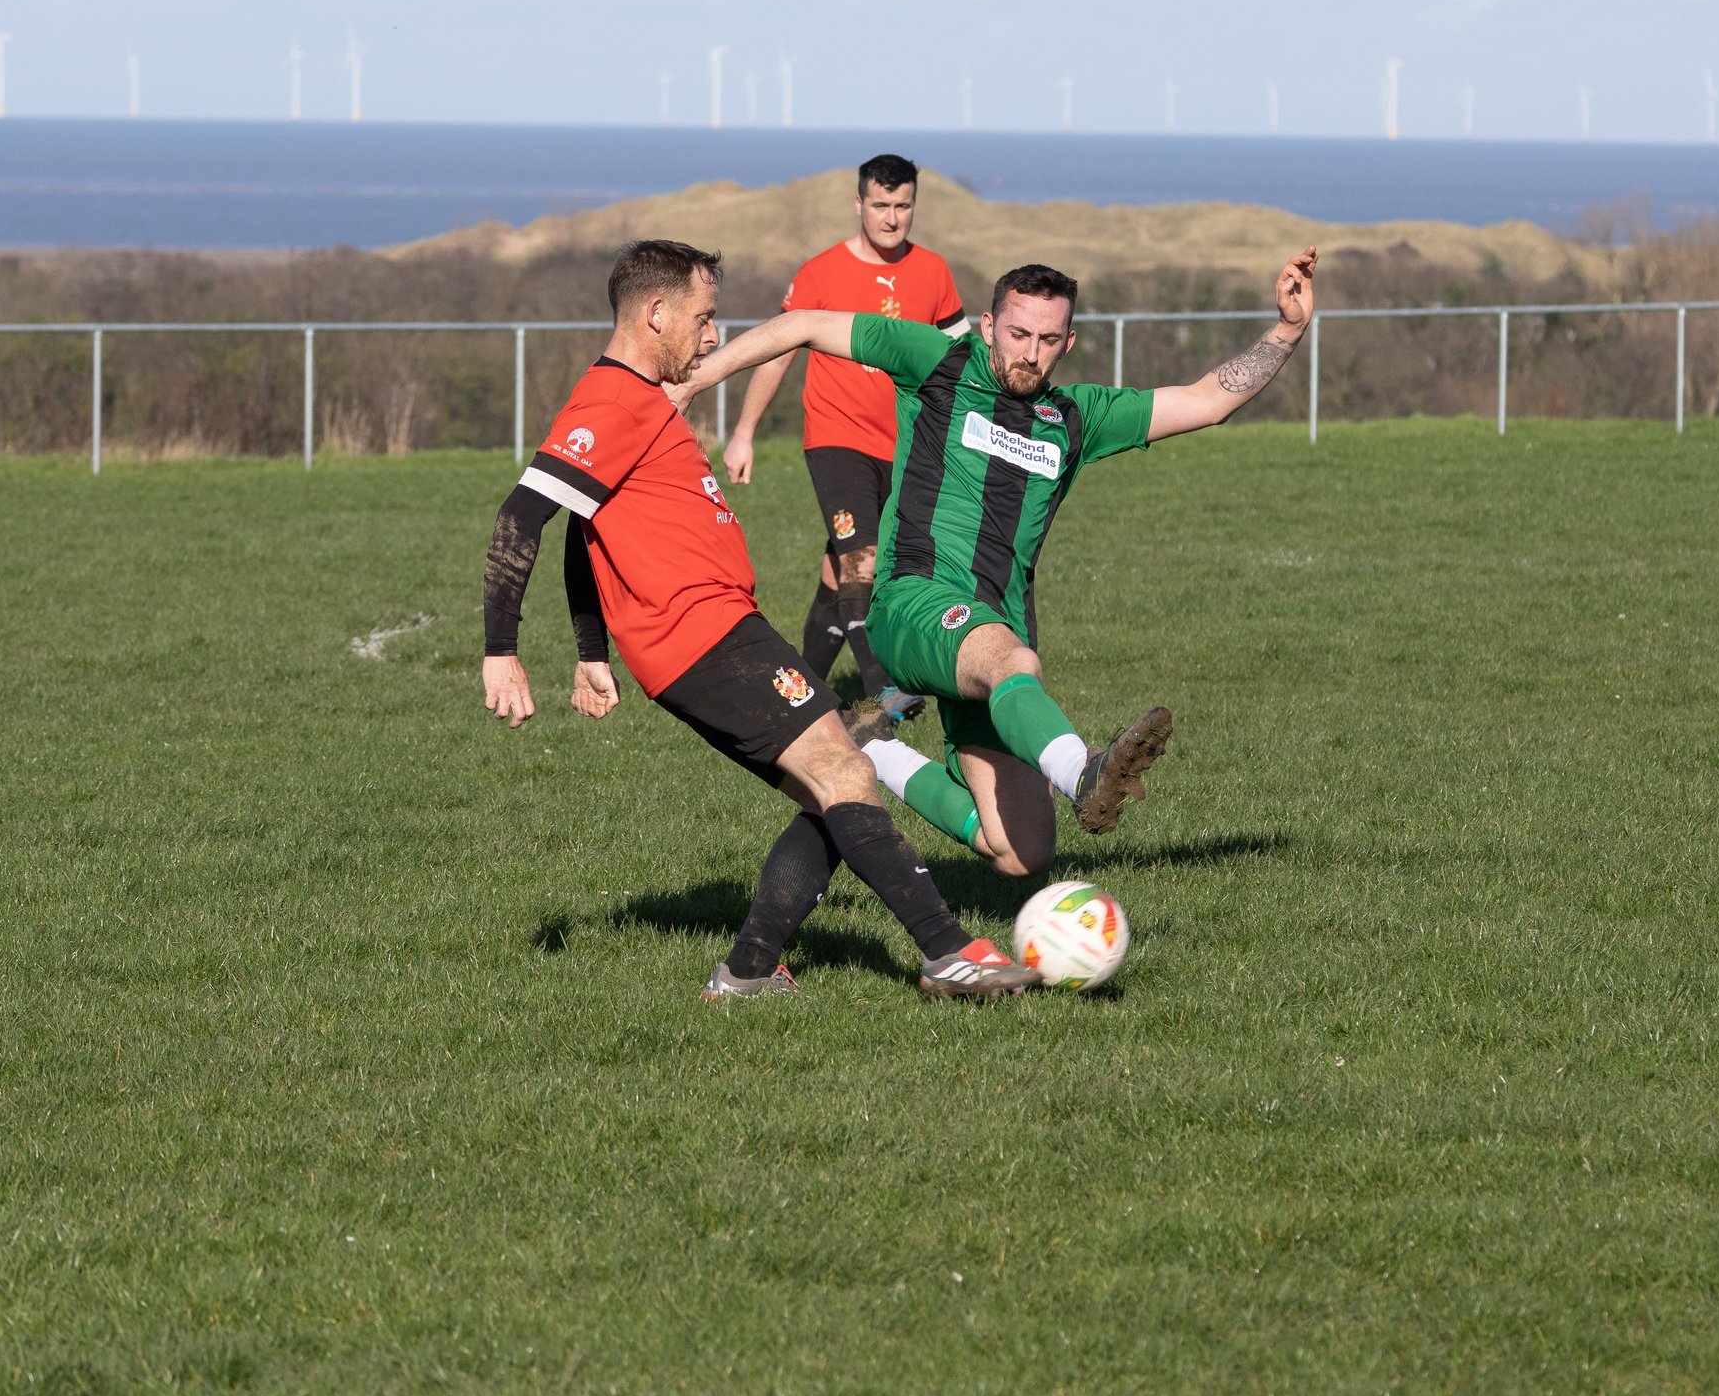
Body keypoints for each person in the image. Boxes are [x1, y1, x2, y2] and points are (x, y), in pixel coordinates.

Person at [479, 238, 1040, 1001]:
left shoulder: (643, 399)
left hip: (715, 633)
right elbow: (522, 515)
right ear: (656, 312)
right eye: (705, 319)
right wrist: (500, 652)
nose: (714, 338)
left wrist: (589, 649)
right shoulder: (609, 400)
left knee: (835, 782)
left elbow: (584, 526)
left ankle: (749, 969)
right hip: (703, 640)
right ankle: (950, 952)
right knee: (845, 768)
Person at [676, 248, 1316, 880]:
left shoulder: (1076, 417)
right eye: (1016, 334)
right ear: (988, 328)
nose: (1029, 352)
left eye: (1046, 338)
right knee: (1015, 662)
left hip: (993, 631)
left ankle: (878, 750)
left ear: (1068, 343)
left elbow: (1208, 400)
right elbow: (806, 323)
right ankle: (1082, 772)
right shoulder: (936, 362)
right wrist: (696, 380)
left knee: (1020, 853)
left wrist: (1287, 329)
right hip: (914, 604)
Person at [722, 154, 968, 728]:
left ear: (914, 205)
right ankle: (883, 692)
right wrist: (743, 432)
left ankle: (797, 697)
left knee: (839, 576)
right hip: (835, 440)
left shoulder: (934, 272)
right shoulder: (820, 272)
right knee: (863, 558)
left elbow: (960, 365)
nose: (891, 218)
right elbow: (778, 350)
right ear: (859, 204)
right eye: (879, 205)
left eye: (902, 206)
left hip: (906, 447)